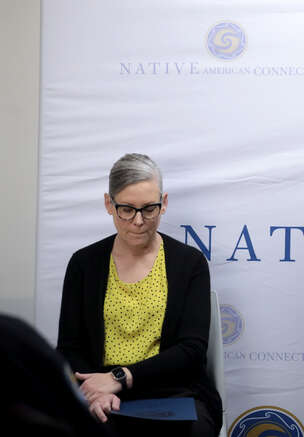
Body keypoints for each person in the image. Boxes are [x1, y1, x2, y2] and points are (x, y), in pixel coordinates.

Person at [56, 153, 222, 437]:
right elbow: (70, 348)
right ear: (109, 204)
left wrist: (118, 378)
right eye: (127, 209)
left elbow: (191, 351)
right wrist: (96, 391)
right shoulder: (84, 263)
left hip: (175, 392)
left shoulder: (189, 263)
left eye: (149, 209)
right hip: (100, 389)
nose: (138, 221)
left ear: (164, 203)